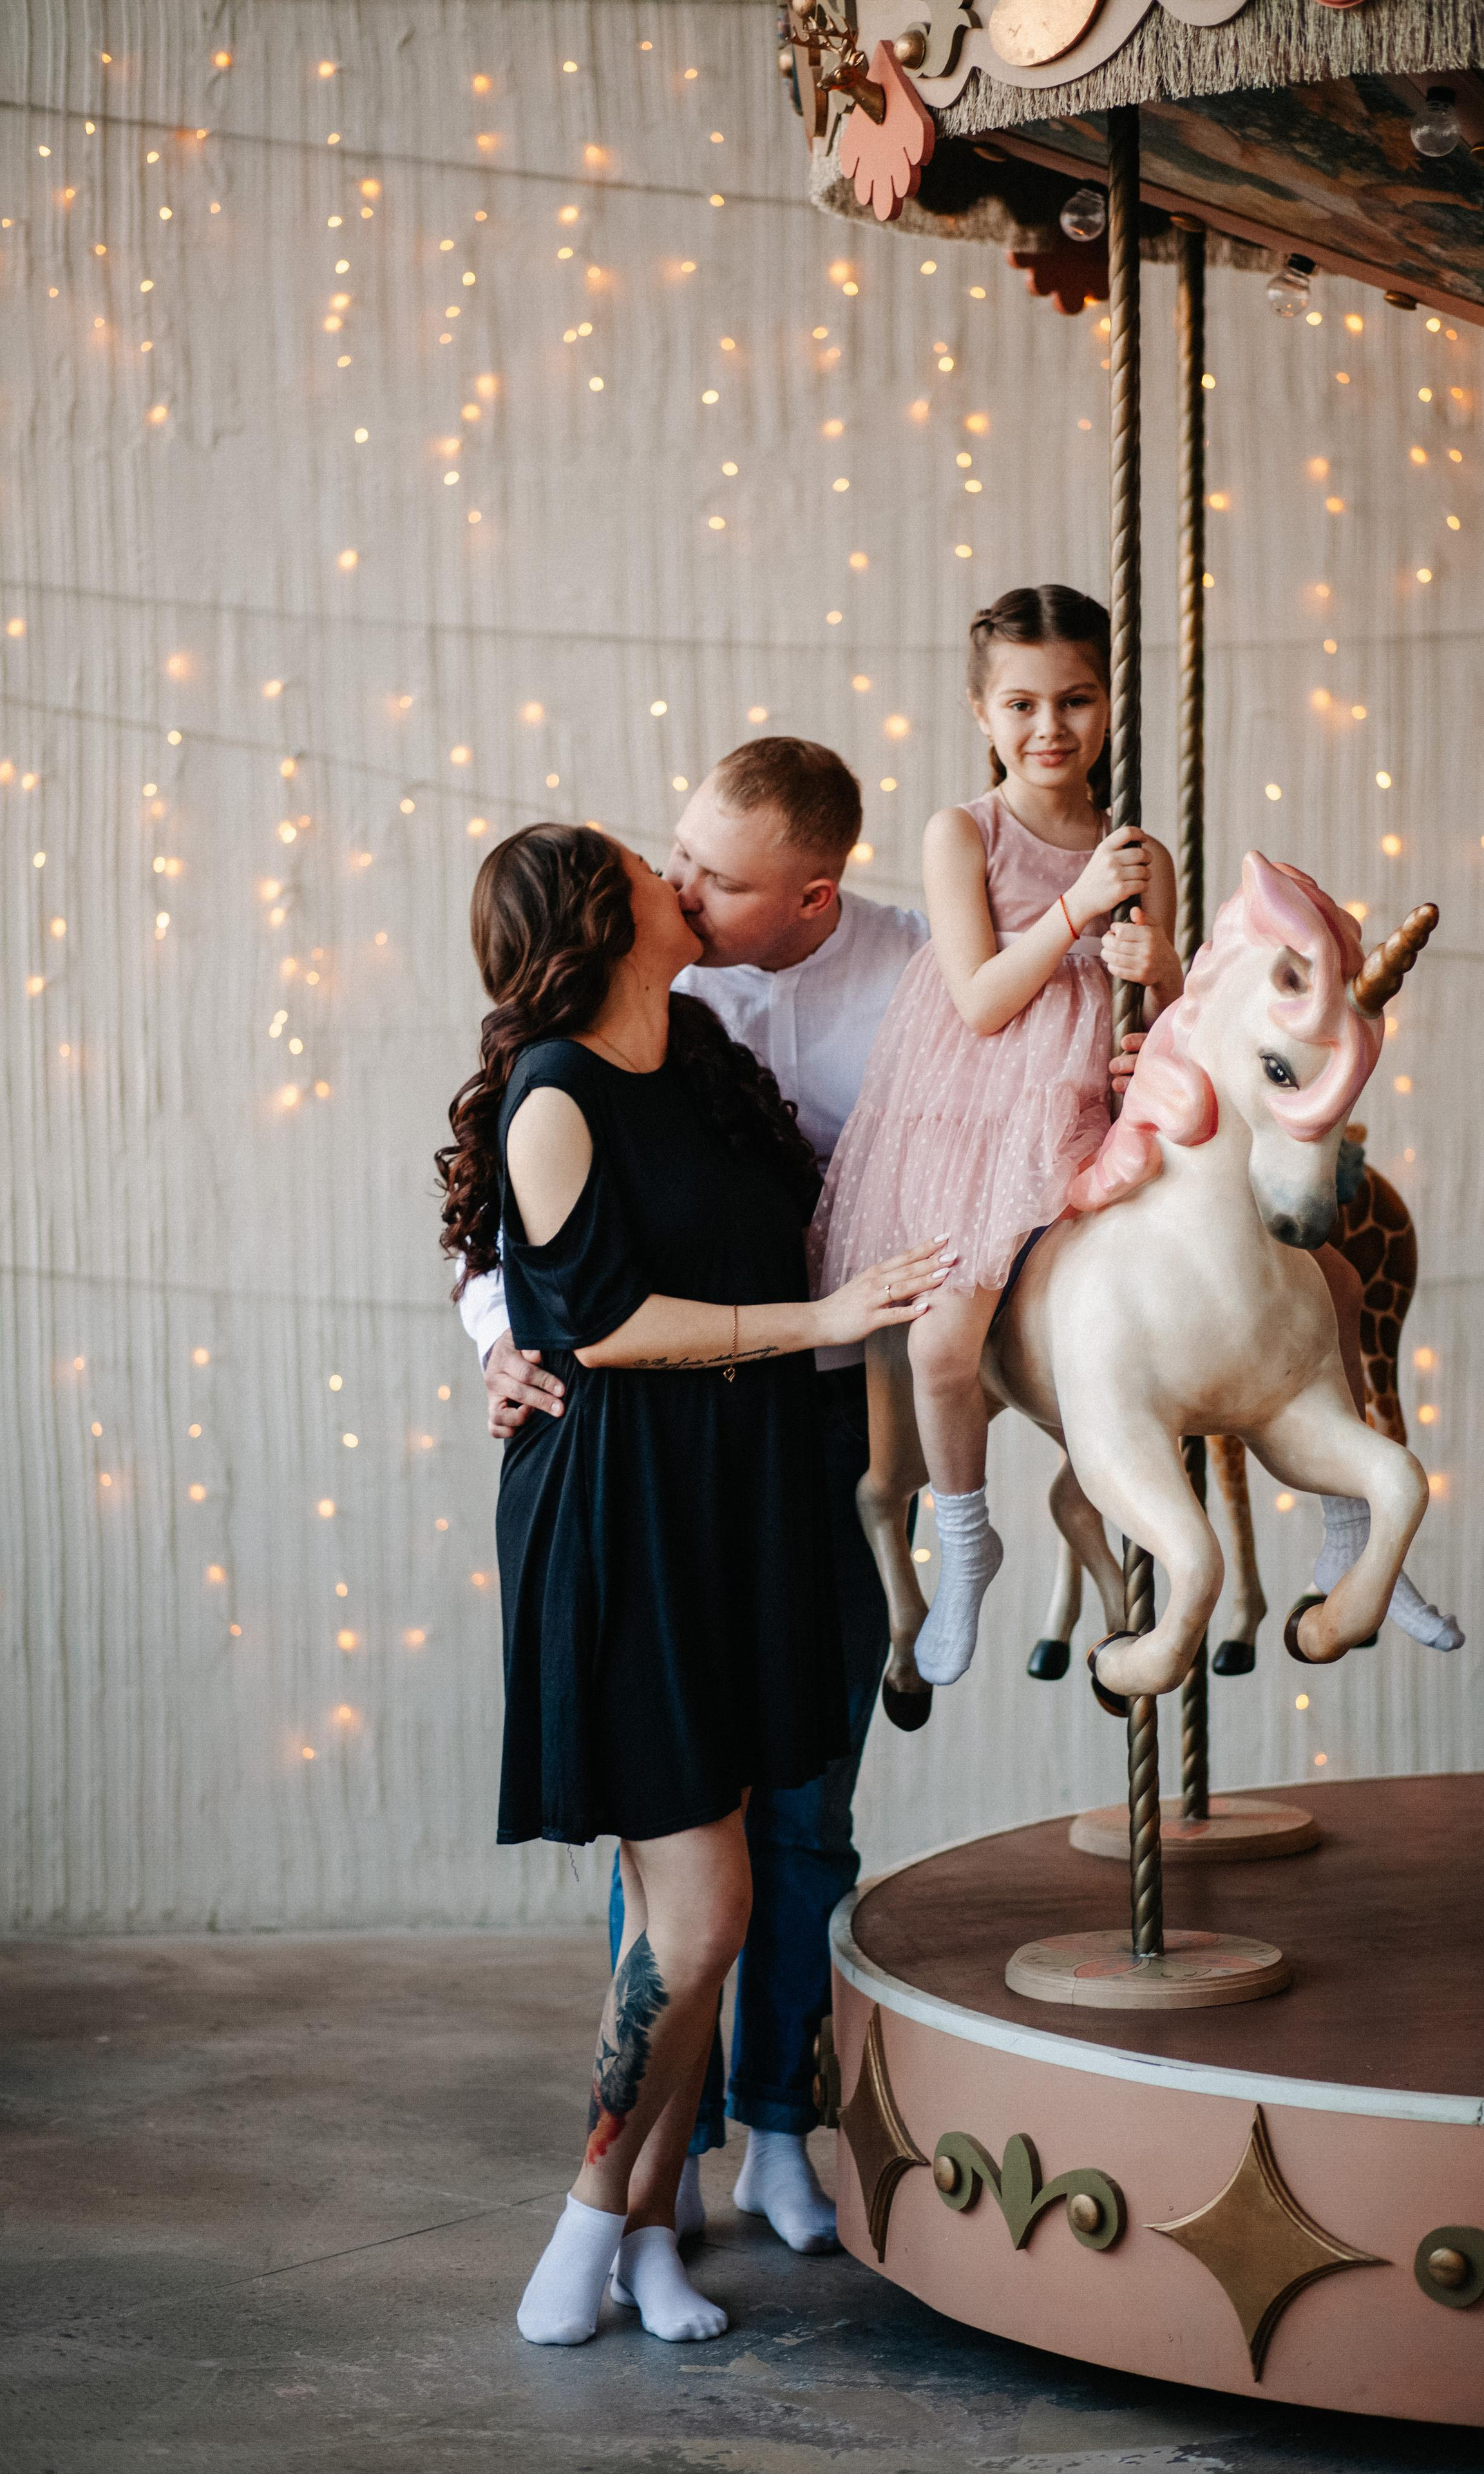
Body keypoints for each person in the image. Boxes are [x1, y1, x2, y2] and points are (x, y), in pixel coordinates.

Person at [437, 823, 948, 2346]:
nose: (674, 869)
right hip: (623, 1521)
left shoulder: (706, 1058)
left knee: (703, 1914)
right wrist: (818, 1320)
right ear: (601, 919)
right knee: (702, 1905)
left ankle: (651, 2237)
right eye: (645, 862)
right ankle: (584, 2228)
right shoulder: (552, 1093)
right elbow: (592, 1325)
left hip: (736, 1510)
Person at [812, 585, 1183, 1691]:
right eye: (1021, 704)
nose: (1049, 729)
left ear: (1109, 707)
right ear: (982, 712)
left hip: (1085, 1109)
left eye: (1074, 700)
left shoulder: (1137, 854)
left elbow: (1164, 1022)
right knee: (937, 1344)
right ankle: (966, 1545)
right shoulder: (960, 832)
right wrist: (1075, 916)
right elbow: (980, 999)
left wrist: (1157, 978)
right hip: (981, 1117)